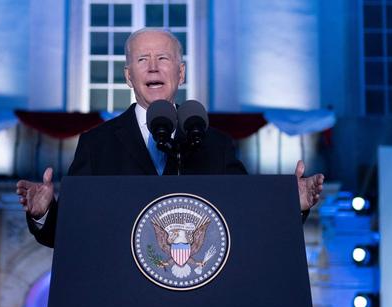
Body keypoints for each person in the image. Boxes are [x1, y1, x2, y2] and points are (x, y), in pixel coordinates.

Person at [16, 28, 324, 248]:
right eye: (142, 60)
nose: (152, 66)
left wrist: (292, 205)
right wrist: (45, 212)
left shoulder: (215, 145)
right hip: (123, 306)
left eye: (162, 58)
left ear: (181, 72)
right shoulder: (97, 144)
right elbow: (68, 234)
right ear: (128, 77)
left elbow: (247, 222)